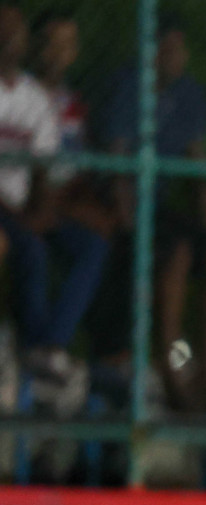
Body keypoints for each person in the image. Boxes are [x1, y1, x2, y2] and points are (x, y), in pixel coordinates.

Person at [99, 16, 206, 413]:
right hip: (134, 212)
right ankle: (171, 361)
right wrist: (131, 228)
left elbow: (198, 168)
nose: (175, 58)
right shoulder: (129, 88)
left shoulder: (189, 95)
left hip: (163, 209)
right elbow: (115, 165)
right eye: (167, 49)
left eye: (180, 50)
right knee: (176, 254)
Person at [0, 4, 102, 414]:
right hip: (3, 207)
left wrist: (41, 210)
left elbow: (42, 171)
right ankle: (33, 345)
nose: (10, 38)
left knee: (90, 245)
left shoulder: (34, 99)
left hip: (24, 206)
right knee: (31, 249)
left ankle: (51, 344)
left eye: (15, 31)